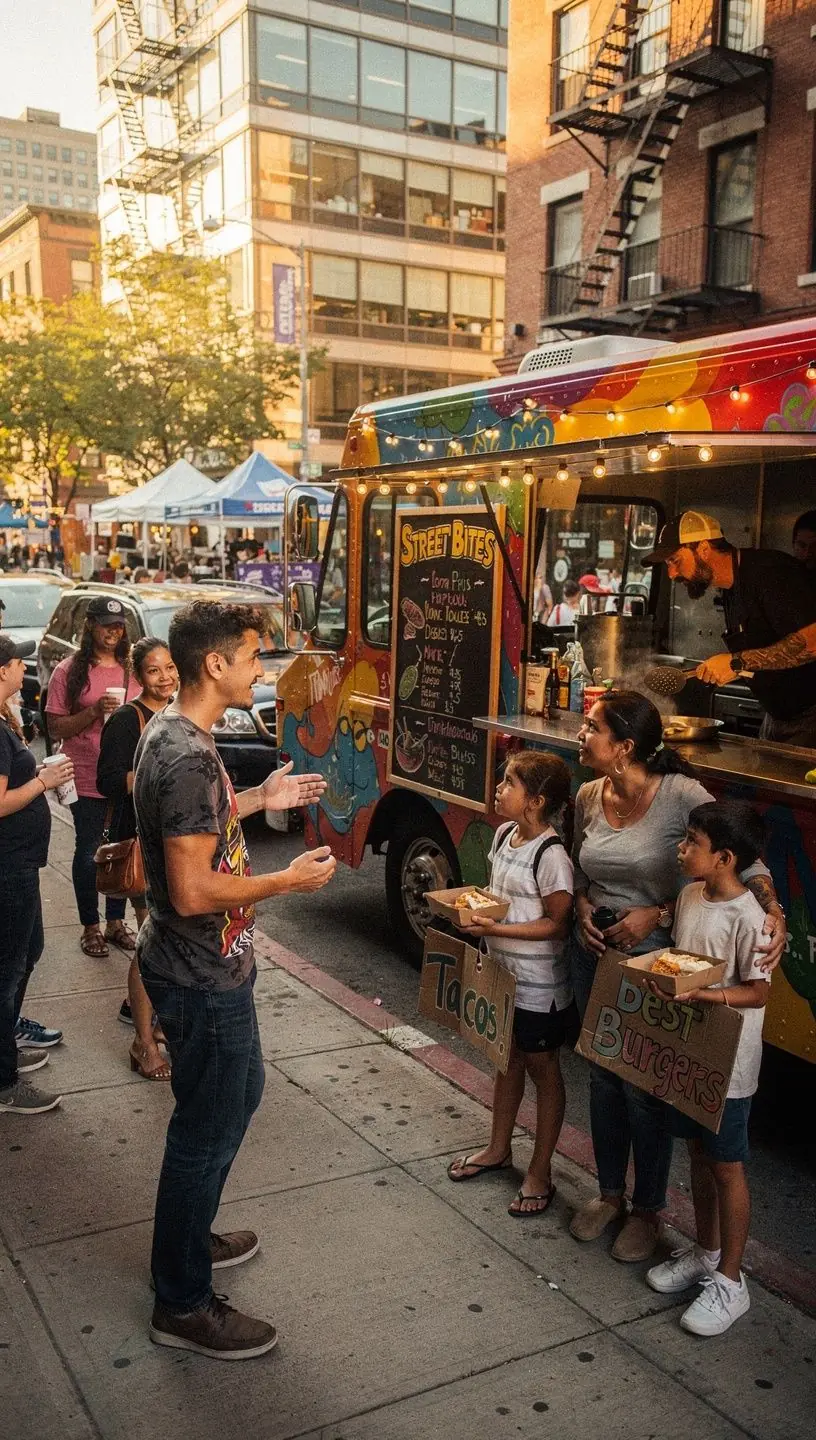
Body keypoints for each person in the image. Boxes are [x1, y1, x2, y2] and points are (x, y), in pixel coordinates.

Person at [134, 599, 335, 1359]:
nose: (261, 668)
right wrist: (286, 883)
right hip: (200, 976)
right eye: (254, 656)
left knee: (234, 1099)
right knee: (205, 1129)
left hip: (204, 969)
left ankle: (189, 1240)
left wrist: (257, 798)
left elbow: (194, 824)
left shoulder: (179, 733)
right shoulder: (186, 752)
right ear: (215, 664)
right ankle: (182, 1302)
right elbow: (189, 890)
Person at [569, 689, 784, 1263]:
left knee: (645, 1088)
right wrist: (584, 912)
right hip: (595, 953)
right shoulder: (589, 794)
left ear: (626, 745)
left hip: (661, 961)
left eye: (591, 727)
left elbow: (745, 857)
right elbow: (579, 872)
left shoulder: (681, 795)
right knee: (602, 1078)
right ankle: (609, 1193)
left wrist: (773, 912)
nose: (580, 734)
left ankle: (648, 1210)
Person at [646, 800, 770, 1336]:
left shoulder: (753, 919)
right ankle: (706, 1250)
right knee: (697, 1155)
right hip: (689, 1052)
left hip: (730, 1065)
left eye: (692, 842)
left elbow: (759, 990)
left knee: (726, 1166)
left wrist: (709, 997)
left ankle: (732, 1281)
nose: (681, 848)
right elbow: (680, 961)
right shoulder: (689, 896)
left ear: (724, 857)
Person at [447, 752, 575, 1216]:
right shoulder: (504, 835)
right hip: (503, 976)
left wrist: (494, 929)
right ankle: (498, 1148)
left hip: (540, 986)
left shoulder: (551, 854)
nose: (498, 789)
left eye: (508, 783)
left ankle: (541, 1171)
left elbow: (557, 924)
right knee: (506, 1061)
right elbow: (501, 896)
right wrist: (472, 909)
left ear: (535, 801)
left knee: (543, 1069)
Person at [644, 510, 816, 746]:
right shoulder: (730, 589)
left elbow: (813, 642)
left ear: (703, 548)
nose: (672, 574)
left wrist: (737, 663)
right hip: (777, 717)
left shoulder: (771, 574)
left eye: (675, 561)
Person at [96, 639, 178, 1081]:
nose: (165, 677)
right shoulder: (129, 720)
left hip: (175, 846)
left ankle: (155, 1021)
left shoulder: (179, 711)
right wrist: (162, 775)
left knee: (166, 942)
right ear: (137, 676)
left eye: (169, 667)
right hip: (142, 845)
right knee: (153, 944)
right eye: (153, 670)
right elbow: (108, 780)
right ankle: (143, 1043)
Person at [0, 635, 74, 1116]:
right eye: (15, 663)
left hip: (18, 865)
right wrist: (43, 782)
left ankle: (4, 1048)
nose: (23, 670)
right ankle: (4, 1083)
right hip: (8, 869)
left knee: (28, 952)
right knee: (8, 970)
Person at [45, 595, 139, 958]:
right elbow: (55, 726)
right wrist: (95, 712)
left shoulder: (133, 669)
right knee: (88, 851)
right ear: (90, 626)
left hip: (126, 774)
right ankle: (90, 927)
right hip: (84, 774)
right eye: (106, 625)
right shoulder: (69, 671)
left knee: (122, 850)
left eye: (118, 625)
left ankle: (115, 922)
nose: (113, 632)